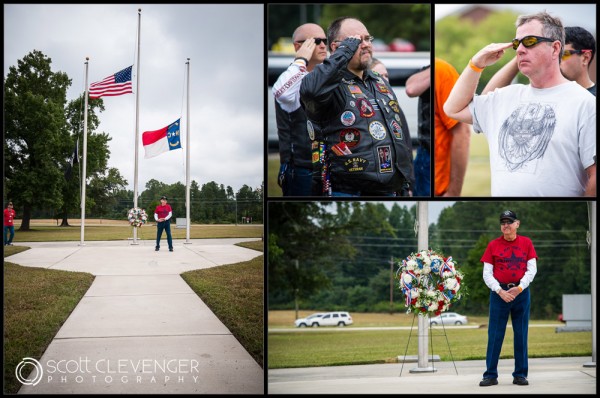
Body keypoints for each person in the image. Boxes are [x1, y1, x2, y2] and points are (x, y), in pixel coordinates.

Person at [444, 11, 596, 197]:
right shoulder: (505, 97)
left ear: (556, 48)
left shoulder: (584, 102)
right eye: (517, 43)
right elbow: (453, 109)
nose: (520, 49)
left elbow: (594, 176)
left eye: (530, 42)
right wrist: (476, 64)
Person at [300, 16, 413, 196]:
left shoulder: (380, 82)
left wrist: (406, 183)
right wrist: (344, 54)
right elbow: (311, 91)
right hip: (346, 190)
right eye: (356, 41)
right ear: (337, 48)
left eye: (367, 39)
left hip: (389, 189)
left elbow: (399, 135)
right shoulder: (328, 85)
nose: (365, 44)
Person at [479, 210, 537, 387]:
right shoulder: (493, 245)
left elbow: (532, 269)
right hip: (499, 294)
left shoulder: (526, 243)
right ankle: (490, 375)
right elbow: (487, 273)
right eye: (503, 222)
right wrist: (499, 290)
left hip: (520, 293)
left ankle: (520, 374)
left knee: (521, 334)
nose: (506, 225)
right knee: (495, 335)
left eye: (509, 222)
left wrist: (519, 288)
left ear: (517, 224)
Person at [272, 23, 329, 196]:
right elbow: (280, 92)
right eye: (316, 41)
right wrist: (301, 60)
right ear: (298, 46)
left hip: (328, 166)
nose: (322, 45)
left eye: (325, 41)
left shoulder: (323, 74)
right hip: (302, 169)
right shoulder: (291, 77)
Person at [483, 26, 596, 96]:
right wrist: (523, 53)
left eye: (563, 54)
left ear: (585, 57)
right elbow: (486, 101)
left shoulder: (591, 100)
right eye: (554, 52)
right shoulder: (541, 93)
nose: (556, 59)